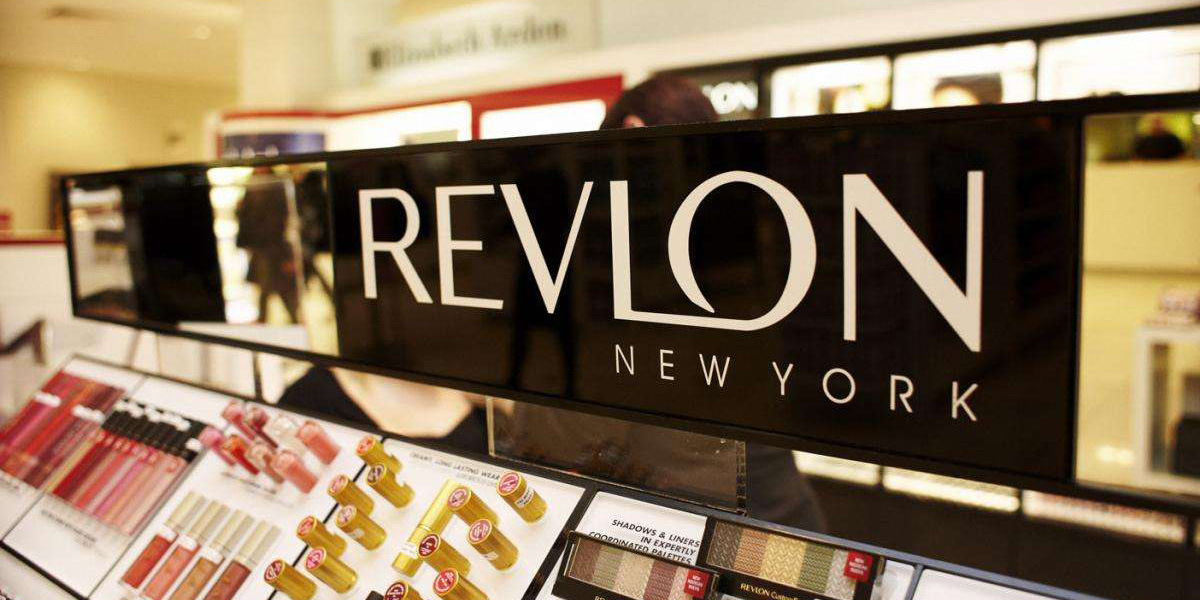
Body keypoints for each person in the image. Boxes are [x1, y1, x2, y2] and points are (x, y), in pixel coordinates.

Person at [506, 75, 826, 531]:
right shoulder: (732, 226)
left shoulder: (654, 259)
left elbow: (588, 419)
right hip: (748, 505)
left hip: (719, 511)